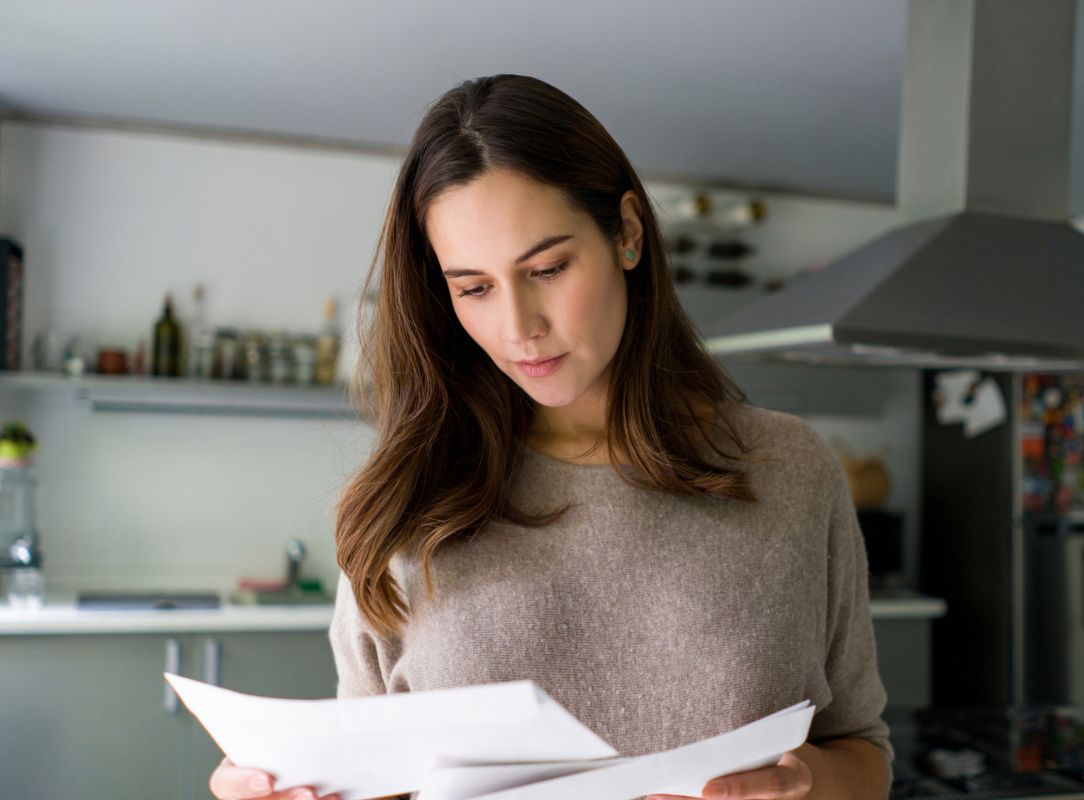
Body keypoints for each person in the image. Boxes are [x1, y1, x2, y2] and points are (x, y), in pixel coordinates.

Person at [209, 73, 892, 800]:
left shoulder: (789, 469)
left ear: (627, 233)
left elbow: (864, 751)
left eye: (547, 268)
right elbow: (372, 781)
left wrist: (803, 785)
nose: (518, 327)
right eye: (474, 287)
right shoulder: (396, 508)